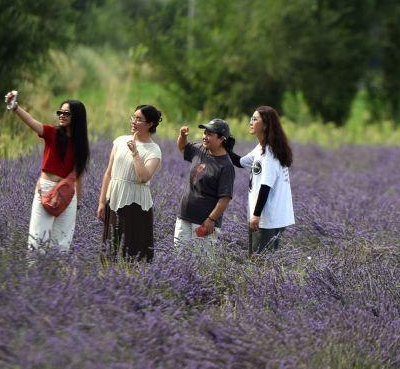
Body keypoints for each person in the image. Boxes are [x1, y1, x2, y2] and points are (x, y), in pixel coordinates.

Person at [5, 90, 90, 252]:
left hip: (67, 195)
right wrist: (15, 107)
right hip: (46, 189)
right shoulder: (52, 133)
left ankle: (55, 276)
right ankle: (35, 276)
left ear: (77, 117)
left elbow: (78, 176)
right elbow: (32, 122)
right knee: (37, 242)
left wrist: (77, 203)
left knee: (61, 245)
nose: (62, 115)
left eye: (67, 113)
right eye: (60, 112)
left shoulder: (81, 144)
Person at [97, 105, 163, 261]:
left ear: (150, 124)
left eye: (139, 119)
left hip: (136, 204)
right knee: (110, 247)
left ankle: (133, 281)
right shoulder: (120, 141)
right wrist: (101, 202)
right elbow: (108, 173)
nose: (134, 121)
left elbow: (143, 177)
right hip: (114, 200)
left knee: (133, 250)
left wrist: (135, 152)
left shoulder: (154, 150)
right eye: (133, 117)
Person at [228, 106, 294, 254]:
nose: (250, 122)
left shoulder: (270, 152)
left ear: (265, 124)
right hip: (267, 216)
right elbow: (241, 162)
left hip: (268, 217)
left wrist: (256, 215)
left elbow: (266, 186)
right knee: (262, 261)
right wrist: (228, 150)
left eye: (254, 119)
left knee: (261, 262)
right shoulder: (261, 148)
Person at [174, 118, 236, 250]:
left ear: (221, 139)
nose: (205, 137)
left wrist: (211, 220)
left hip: (204, 222)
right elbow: (182, 147)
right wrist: (182, 136)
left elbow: (224, 198)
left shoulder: (226, 165)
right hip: (185, 216)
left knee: (201, 264)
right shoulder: (200, 149)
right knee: (179, 258)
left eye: (209, 134)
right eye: (205, 133)